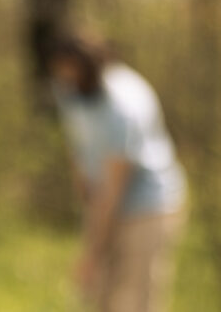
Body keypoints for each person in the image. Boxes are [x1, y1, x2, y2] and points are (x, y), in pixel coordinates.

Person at [48, 31, 186, 312]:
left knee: (135, 301)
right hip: (104, 199)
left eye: (71, 72)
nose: (65, 78)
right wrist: (85, 194)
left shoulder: (124, 105)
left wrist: (92, 252)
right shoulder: (68, 89)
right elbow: (77, 142)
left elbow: (115, 186)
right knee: (100, 295)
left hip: (148, 207)